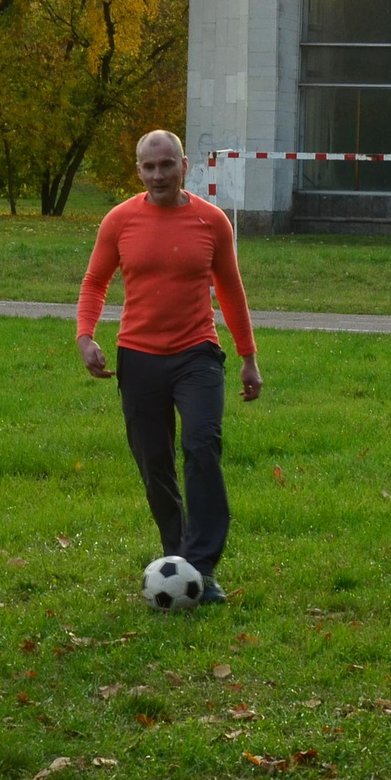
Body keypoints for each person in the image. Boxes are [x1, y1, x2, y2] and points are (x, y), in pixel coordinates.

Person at [76, 130, 262, 605]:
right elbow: (96, 280)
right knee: (154, 463)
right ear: (138, 170)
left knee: (202, 447)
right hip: (138, 357)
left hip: (197, 354)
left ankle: (202, 567)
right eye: (149, 167)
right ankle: (175, 556)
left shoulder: (211, 221)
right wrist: (85, 336)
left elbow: (232, 291)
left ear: (184, 165)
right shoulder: (119, 220)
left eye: (167, 165)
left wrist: (248, 359)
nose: (158, 174)